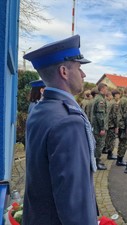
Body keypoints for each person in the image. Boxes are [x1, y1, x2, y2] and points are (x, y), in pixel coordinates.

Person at [22, 35, 98, 225]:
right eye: (79, 68)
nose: (83, 75)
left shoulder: (41, 109)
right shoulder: (68, 121)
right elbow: (74, 197)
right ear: (64, 71)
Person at [91, 83, 109, 170]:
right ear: (102, 89)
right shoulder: (100, 100)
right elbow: (100, 115)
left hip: (96, 126)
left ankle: (97, 160)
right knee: (99, 145)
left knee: (98, 144)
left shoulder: (98, 98)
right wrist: (102, 128)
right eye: (106, 89)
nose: (107, 91)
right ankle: (96, 162)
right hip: (99, 128)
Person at [116, 87, 127, 166]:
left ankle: (119, 159)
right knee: (124, 143)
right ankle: (120, 160)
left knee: (121, 142)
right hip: (123, 125)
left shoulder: (122, 100)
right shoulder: (125, 101)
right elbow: (126, 115)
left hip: (121, 124)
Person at [105, 89, 120, 160]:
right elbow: (115, 116)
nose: (119, 96)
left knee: (109, 139)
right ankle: (110, 155)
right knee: (112, 140)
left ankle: (109, 153)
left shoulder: (110, 102)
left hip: (108, 124)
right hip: (112, 125)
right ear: (115, 95)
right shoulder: (114, 103)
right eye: (118, 94)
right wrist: (116, 126)